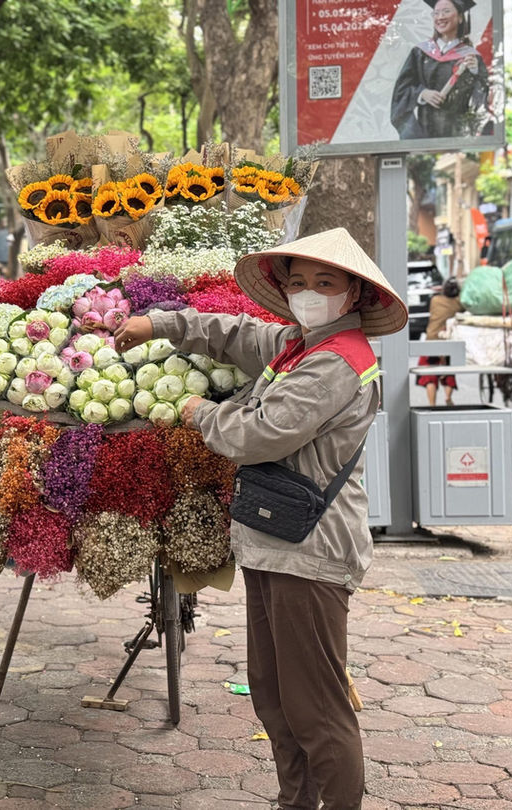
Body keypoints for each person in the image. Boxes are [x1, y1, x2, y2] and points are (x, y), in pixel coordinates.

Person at [117, 228, 408, 810]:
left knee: (317, 709)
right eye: (298, 282)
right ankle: (293, 801)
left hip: (312, 554)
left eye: (325, 283)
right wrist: (167, 322)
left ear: (353, 295)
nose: (308, 292)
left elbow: (259, 434)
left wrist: (199, 411)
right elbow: (242, 333)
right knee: (275, 699)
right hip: (275, 541)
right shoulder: (301, 343)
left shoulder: (336, 363)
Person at [391, 0, 489, 140]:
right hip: (423, 131)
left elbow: (483, 100)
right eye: (436, 13)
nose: (440, 17)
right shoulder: (420, 52)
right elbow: (402, 90)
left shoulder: (471, 57)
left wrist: (474, 73)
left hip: (457, 134)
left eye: (446, 11)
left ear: (460, 17)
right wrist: (422, 93)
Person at [416, 277, 465, 405]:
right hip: (448, 341)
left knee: (430, 376)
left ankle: (432, 404)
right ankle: (448, 397)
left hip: (432, 340)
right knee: (448, 372)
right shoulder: (459, 304)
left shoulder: (435, 300)